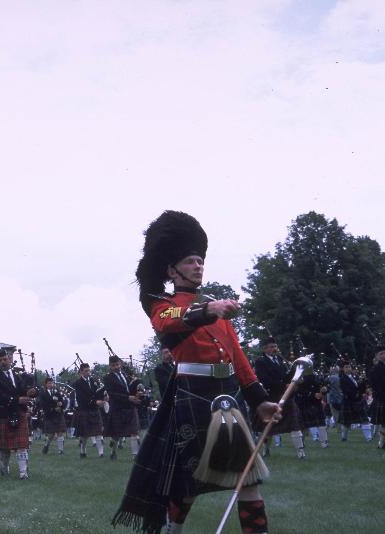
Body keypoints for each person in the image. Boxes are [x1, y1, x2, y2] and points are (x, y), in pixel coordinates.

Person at [114, 211, 281, 534]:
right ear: (171, 270)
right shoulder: (162, 305)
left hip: (230, 397)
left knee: (248, 478)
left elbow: (238, 358)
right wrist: (208, 310)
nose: (198, 266)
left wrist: (259, 400)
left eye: (200, 261)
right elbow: (169, 321)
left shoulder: (215, 307)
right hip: (193, 396)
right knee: (187, 484)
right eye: (190, 261)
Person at [0, 349, 36, 479]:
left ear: (10, 359)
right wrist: (16, 400)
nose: (3, 362)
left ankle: (23, 473)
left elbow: (24, 390)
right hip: (3, 414)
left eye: (5, 359)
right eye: (0, 360)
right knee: (4, 448)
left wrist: (31, 392)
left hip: (19, 412)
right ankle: (4, 469)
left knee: (21, 445)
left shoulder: (17, 375)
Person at [253, 337, 306, 459]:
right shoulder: (260, 361)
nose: (274, 349)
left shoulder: (280, 360)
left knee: (295, 424)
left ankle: (300, 451)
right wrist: (284, 385)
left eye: (275, 346)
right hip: (271, 397)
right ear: (265, 349)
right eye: (271, 347)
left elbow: (285, 377)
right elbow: (264, 379)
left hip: (287, 397)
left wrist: (295, 377)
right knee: (269, 427)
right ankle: (266, 449)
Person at [104, 356, 141, 460]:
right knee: (116, 434)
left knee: (134, 431)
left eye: (117, 364)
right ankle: (113, 452)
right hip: (117, 408)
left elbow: (131, 389)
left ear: (120, 363)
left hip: (130, 407)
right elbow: (112, 394)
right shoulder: (107, 378)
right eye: (113, 365)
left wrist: (137, 395)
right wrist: (128, 398)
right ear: (110, 366)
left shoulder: (126, 375)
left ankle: (135, 456)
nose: (116, 367)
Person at [71, 363, 105, 458]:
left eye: (89, 370)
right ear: (81, 371)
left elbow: (98, 393)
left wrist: (103, 397)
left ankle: (101, 453)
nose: (88, 372)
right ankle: (83, 451)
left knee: (98, 432)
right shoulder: (77, 383)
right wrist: (95, 402)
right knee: (84, 435)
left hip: (94, 410)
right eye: (86, 371)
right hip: (84, 410)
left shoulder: (94, 381)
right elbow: (82, 398)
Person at [339, 362, 369, 442]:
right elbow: (346, 390)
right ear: (343, 369)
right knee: (346, 422)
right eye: (346, 367)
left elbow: (359, 388)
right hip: (348, 401)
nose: (348, 368)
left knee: (364, 420)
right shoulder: (342, 379)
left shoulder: (355, 377)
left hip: (357, 401)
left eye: (349, 367)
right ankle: (344, 437)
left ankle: (368, 438)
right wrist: (356, 395)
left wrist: (363, 382)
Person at [38, 377, 67, 455]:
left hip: (59, 415)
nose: (51, 384)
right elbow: (43, 405)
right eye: (49, 383)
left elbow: (63, 402)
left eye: (52, 383)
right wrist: (54, 409)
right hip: (49, 416)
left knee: (60, 432)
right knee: (51, 435)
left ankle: (60, 450)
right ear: (46, 384)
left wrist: (61, 404)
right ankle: (46, 445)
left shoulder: (57, 392)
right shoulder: (42, 394)